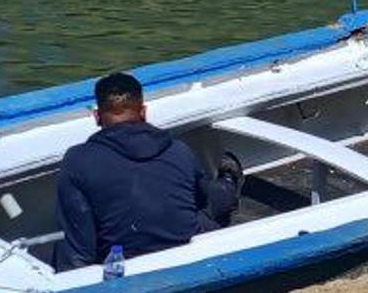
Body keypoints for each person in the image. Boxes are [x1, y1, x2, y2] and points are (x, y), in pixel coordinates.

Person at [53, 72, 243, 271]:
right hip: (185, 246)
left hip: (122, 261)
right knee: (214, 200)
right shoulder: (178, 150)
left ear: (97, 116)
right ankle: (229, 183)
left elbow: (80, 247)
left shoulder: (77, 161)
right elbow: (204, 200)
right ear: (143, 112)